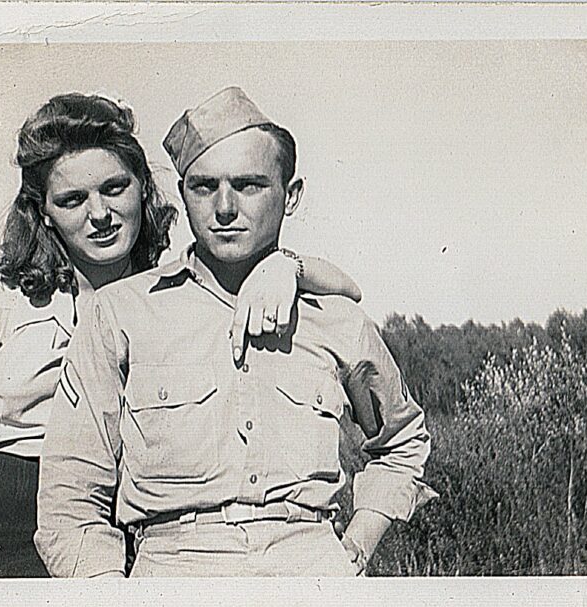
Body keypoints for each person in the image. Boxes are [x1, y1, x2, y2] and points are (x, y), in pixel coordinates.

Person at [0, 92, 363, 578]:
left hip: (110, 509)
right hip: (3, 505)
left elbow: (349, 290)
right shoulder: (4, 294)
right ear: (44, 211)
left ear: (143, 188)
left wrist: (288, 266)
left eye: (114, 188)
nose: (99, 215)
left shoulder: (161, 288)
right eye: (72, 200)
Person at [35, 87, 436, 578]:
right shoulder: (120, 314)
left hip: (309, 568)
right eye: (204, 187)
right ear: (183, 195)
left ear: (290, 196)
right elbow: (70, 496)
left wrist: (360, 539)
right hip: (172, 571)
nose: (225, 207)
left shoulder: (335, 320)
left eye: (249, 186)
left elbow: (402, 441)